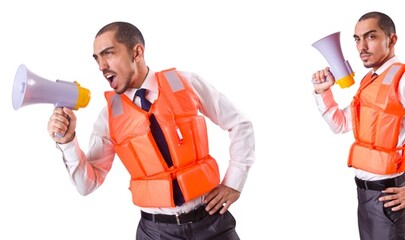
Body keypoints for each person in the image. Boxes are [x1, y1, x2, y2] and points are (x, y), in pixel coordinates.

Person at [47, 21, 254, 240]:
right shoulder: (107, 118)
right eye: (97, 58)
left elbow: (240, 124)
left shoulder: (185, 83)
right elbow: (87, 185)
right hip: (156, 233)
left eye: (108, 53)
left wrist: (234, 183)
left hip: (212, 222)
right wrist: (67, 142)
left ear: (137, 52)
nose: (101, 66)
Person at [310, 11, 405, 240]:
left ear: (392, 40)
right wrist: (323, 92)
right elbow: (341, 125)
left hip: (389, 197)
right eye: (357, 39)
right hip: (365, 196)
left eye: (371, 37)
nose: (362, 47)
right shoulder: (370, 81)